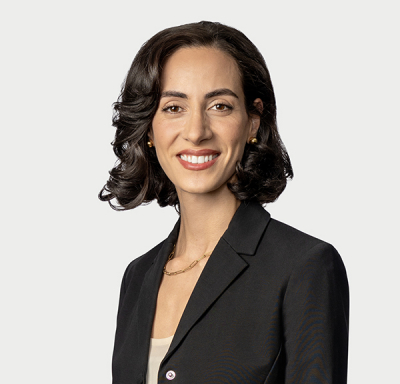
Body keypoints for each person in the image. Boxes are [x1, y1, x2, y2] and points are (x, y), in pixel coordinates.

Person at [99, 21, 349, 384]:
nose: (196, 131)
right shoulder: (137, 277)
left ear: (252, 121)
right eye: (173, 107)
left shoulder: (304, 267)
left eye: (220, 106)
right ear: (149, 128)